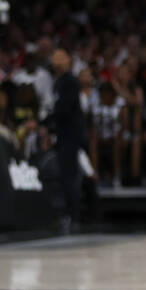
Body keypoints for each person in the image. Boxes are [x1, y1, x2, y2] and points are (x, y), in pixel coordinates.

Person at [48, 48, 88, 229]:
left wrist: (44, 123)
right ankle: (69, 213)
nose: (56, 63)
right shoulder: (58, 82)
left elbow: (63, 110)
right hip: (63, 135)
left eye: (60, 60)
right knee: (65, 175)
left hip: (71, 135)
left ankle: (74, 215)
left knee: (70, 175)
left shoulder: (70, 82)